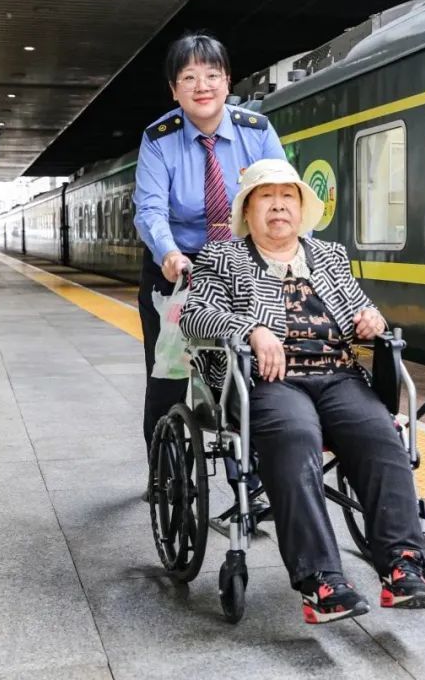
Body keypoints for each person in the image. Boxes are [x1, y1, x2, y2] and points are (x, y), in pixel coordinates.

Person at [180, 159, 425, 624]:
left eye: (288, 197)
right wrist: (252, 329)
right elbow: (195, 316)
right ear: (248, 210)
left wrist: (371, 320)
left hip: (338, 375)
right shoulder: (222, 258)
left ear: (301, 209)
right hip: (268, 380)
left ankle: (403, 565)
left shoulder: (329, 255)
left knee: (380, 434)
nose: (278, 206)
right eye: (266, 196)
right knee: (296, 437)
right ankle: (321, 581)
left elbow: (362, 309)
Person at [132, 31, 286, 502]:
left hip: (243, 265)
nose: (202, 86)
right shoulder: (158, 140)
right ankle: (164, 471)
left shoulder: (257, 131)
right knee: (170, 374)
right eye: (189, 78)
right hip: (179, 267)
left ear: (228, 82)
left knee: (255, 365)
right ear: (174, 90)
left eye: (212, 75)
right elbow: (151, 210)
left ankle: (256, 470)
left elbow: (281, 194)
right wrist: (169, 252)